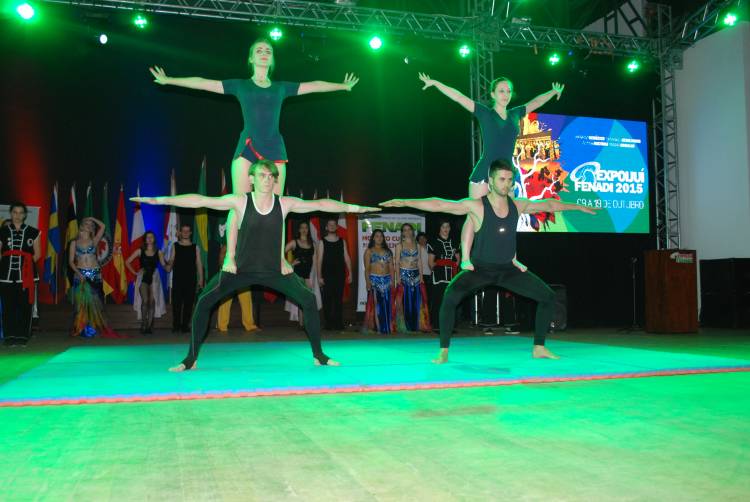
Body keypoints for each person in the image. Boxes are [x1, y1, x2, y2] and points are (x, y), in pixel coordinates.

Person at [132, 159, 379, 371]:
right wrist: (159, 200)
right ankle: (190, 359)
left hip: (274, 270)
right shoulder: (240, 202)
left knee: (308, 299)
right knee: (204, 301)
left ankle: (319, 356)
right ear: (251, 179)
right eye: (262, 175)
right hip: (240, 270)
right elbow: (201, 200)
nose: (267, 180)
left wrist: (355, 208)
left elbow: (321, 204)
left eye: (271, 176)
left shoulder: (284, 204)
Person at [381, 158, 596, 363]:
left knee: (548, 296)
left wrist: (577, 207)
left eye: (509, 180)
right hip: (480, 269)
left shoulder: (517, 205)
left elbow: (548, 205)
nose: (506, 184)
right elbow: (440, 205)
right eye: (502, 179)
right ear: (491, 181)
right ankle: (443, 350)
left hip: (508, 270)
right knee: (450, 297)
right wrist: (405, 202)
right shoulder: (477, 206)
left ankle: (539, 347)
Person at [149, 39, 359, 195]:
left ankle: (275, 246)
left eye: (268, 51)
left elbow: (315, 85)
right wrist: (170, 80)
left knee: (276, 208)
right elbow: (203, 82)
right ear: (251, 58)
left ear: (272, 59)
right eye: (259, 50)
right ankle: (233, 244)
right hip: (247, 147)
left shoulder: (281, 87)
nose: (264, 53)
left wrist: (342, 86)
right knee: (239, 204)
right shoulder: (239, 85)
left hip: (275, 147)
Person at [417, 73, 565, 270]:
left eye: (509, 91)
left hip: (506, 174)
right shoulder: (484, 113)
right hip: (484, 171)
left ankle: (511, 258)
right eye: (501, 91)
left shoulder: (515, 113)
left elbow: (536, 102)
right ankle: (466, 258)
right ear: (493, 94)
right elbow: (459, 97)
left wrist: (553, 92)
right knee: (472, 214)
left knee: (511, 216)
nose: (506, 94)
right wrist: (436, 82)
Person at [68, 217, 117, 338]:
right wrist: (79, 273)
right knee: (81, 304)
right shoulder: (74, 242)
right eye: (87, 223)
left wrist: (92, 218)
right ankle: (82, 329)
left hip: (95, 274)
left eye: (91, 225)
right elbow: (71, 261)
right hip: (80, 274)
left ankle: (93, 329)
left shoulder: (94, 240)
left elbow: (103, 226)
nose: (89, 226)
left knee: (95, 304)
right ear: (81, 225)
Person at [0, 202, 40, 346]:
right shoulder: (2, 231)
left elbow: (37, 254)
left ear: (25, 215)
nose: (17, 215)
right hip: (6, 275)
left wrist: (27, 267)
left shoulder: (33, 232)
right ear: (11, 214)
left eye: (20, 212)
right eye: (15, 212)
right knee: (8, 306)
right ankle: (9, 337)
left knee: (24, 306)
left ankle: (22, 337)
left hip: (26, 276)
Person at [126, 231, 169, 334]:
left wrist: (170, 261)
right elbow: (127, 262)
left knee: (152, 301)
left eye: (151, 237)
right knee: (145, 301)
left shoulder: (159, 252)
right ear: (145, 239)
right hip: (143, 277)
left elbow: (164, 265)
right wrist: (135, 272)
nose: (149, 239)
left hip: (154, 277)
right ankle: (144, 323)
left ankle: (150, 325)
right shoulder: (140, 251)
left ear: (154, 239)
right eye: (147, 237)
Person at [394, 223, 431, 333]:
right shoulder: (399, 246)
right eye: (405, 230)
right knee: (406, 302)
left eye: (409, 229)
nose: (407, 231)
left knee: (417, 301)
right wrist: (398, 277)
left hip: (416, 276)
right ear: (402, 232)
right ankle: (406, 326)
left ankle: (416, 325)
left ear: (412, 231)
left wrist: (421, 277)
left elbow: (419, 262)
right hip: (404, 275)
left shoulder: (417, 245)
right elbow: (396, 263)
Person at [316, 218, 352, 331]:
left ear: (337, 227)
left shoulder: (342, 241)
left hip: (340, 274)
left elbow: (347, 258)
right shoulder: (322, 242)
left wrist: (350, 273)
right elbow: (319, 260)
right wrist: (319, 276)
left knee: (338, 300)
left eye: (334, 224)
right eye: (329, 224)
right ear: (326, 227)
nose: (332, 226)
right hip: (327, 275)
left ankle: (338, 323)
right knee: (327, 299)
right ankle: (328, 324)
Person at [216, 237, 257, 333]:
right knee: (225, 300)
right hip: (229, 274)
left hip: (242, 275)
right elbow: (221, 256)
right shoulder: (228, 245)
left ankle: (249, 325)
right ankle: (222, 326)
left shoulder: (246, 245)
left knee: (246, 299)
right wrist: (223, 270)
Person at [168, 224, 204, 333]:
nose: (185, 233)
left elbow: (199, 264)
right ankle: (176, 326)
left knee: (189, 304)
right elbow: (171, 260)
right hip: (177, 280)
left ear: (190, 233)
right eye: (183, 231)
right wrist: (167, 265)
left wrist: (201, 279)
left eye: (187, 231)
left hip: (191, 280)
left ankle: (185, 326)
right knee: (176, 304)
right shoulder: (175, 246)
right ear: (180, 232)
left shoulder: (195, 247)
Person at [284, 221, 320, 328]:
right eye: (302, 228)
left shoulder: (313, 244)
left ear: (308, 230)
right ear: (299, 230)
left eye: (306, 228)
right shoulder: (294, 242)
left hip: (308, 276)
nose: (304, 229)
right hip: (297, 275)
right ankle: (301, 323)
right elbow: (281, 253)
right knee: (301, 299)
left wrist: (315, 277)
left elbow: (315, 261)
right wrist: (290, 264)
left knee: (308, 300)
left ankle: (307, 323)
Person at [427, 220, 460, 330]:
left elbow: (458, 259)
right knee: (439, 300)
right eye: (443, 227)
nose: (446, 229)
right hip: (439, 276)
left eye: (447, 226)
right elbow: (430, 262)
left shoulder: (455, 241)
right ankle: (437, 325)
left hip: (452, 275)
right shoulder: (433, 242)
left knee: (451, 301)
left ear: (450, 228)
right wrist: (438, 269)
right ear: (439, 229)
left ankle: (450, 325)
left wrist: (454, 267)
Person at [362, 229, 395, 334]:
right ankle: (378, 328)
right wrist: (368, 282)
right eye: (377, 236)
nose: (379, 238)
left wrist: (393, 281)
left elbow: (391, 268)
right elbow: (367, 269)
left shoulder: (388, 251)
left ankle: (386, 327)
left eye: (381, 236)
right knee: (376, 305)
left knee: (387, 304)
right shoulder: (369, 251)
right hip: (374, 281)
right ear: (373, 238)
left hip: (386, 280)